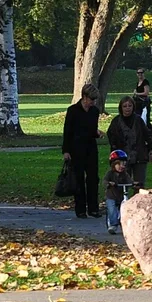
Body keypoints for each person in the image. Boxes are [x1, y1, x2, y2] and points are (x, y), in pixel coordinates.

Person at [61, 84, 104, 218]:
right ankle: (80, 209)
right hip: (76, 148)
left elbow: (92, 129)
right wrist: (66, 151)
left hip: (90, 147)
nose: (93, 102)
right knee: (78, 178)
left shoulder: (94, 112)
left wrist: (97, 133)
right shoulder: (73, 111)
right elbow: (67, 132)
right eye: (91, 99)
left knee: (93, 178)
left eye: (94, 100)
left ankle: (93, 208)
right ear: (84, 97)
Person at [106, 95, 152, 189]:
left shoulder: (138, 120)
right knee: (121, 185)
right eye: (124, 106)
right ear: (121, 108)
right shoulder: (116, 122)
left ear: (133, 107)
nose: (127, 108)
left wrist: (151, 151)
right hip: (122, 157)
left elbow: (147, 135)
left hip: (139, 155)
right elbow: (111, 138)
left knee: (139, 185)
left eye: (130, 106)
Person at [104, 149, 136, 235]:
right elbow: (105, 181)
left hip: (121, 195)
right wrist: (109, 183)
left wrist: (134, 183)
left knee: (127, 207)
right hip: (111, 196)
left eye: (124, 164)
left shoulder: (124, 174)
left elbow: (129, 180)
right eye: (119, 164)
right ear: (113, 164)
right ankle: (113, 225)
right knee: (112, 209)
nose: (122, 166)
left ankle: (125, 224)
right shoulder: (110, 173)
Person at [134, 70, 152, 144]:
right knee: (139, 121)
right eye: (138, 73)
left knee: (146, 123)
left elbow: (146, 92)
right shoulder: (138, 83)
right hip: (138, 105)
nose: (140, 74)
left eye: (141, 73)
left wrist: (137, 93)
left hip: (144, 104)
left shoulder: (145, 82)